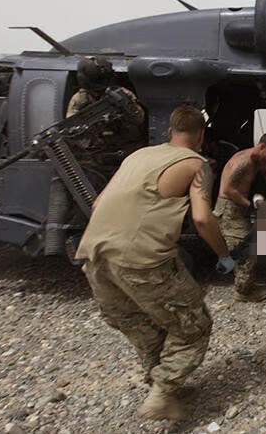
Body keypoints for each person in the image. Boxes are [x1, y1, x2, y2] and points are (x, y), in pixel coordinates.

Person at [74, 105, 233, 421]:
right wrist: (224, 255)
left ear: (169, 131)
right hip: (142, 261)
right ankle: (162, 393)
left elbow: (98, 202)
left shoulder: (138, 156)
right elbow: (202, 218)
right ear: (201, 135)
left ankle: (161, 381)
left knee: (141, 324)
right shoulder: (197, 165)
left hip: (95, 256)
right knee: (194, 327)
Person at [215, 131, 266, 302]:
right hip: (230, 210)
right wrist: (251, 206)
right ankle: (243, 292)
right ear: (261, 146)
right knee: (247, 252)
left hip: (238, 209)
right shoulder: (243, 162)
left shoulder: (257, 159)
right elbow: (229, 190)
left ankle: (247, 284)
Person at [66, 56, 146, 160]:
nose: (98, 93)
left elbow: (139, 119)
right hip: (97, 151)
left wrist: (125, 107)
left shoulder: (122, 94)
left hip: (126, 147)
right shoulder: (80, 99)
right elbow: (71, 128)